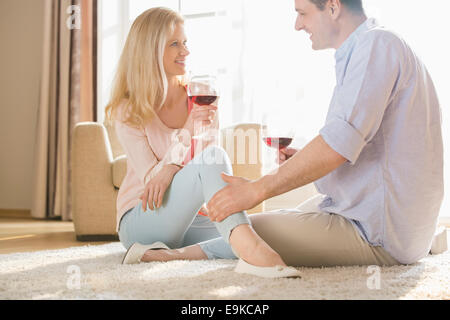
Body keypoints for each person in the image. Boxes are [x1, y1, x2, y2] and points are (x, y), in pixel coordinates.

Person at [144, 0, 444, 267]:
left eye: (302, 13)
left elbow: (338, 144)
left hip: (378, 232)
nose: (298, 24)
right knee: (266, 221)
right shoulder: (373, 48)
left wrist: (257, 189)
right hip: (384, 217)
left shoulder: (376, 46)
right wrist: (301, 160)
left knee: (248, 231)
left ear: (333, 6)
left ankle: (176, 256)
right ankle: (431, 239)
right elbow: (364, 148)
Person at [104, 7, 301, 278]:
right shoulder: (128, 110)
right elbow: (153, 182)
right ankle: (255, 256)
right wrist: (186, 133)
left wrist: (208, 202)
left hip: (192, 218)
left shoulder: (201, 96)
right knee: (216, 160)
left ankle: (169, 256)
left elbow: (208, 167)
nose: (185, 51)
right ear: (149, 50)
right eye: (174, 44)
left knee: (260, 232)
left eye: (185, 42)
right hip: (142, 218)